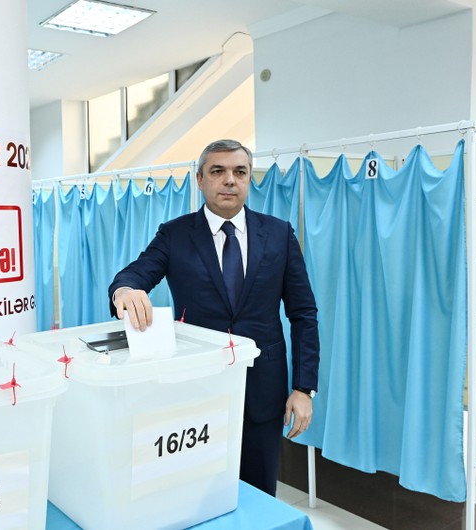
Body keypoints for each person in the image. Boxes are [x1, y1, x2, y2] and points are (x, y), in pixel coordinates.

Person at [108, 139, 320, 496]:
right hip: (196, 389)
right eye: (218, 171)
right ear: (200, 179)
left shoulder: (279, 234)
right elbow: (132, 275)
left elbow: (303, 313)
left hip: (262, 391)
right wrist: (125, 292)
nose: (229, 180)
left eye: (240, 172)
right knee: (194, 492)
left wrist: (303, 388)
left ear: (249, 179)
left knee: (258, 493)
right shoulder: (175, 235)